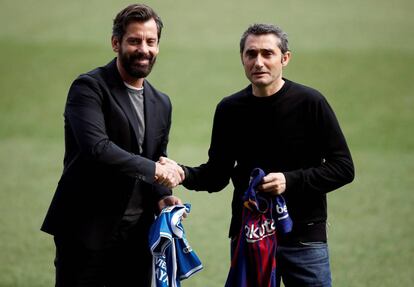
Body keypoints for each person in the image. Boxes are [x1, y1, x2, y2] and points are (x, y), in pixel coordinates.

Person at [161, 23, 354, 286]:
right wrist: (182, 172)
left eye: (267, 54)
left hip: (304, 238)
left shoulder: (310, 103)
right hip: (250, 235)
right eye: (251, 54)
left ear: (285, 58)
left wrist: (290, 181)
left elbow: (343, 167)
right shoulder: (230, 109)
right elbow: (217, 175)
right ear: (242, 58)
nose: (258, 62)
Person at [41, 4, 185, 286]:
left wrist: (161, 195)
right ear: (116, 43)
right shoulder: (89, 88)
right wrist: (155, 170)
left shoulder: (161, 102)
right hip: (86, 230)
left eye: (151, 41)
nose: (144, 49)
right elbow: (97, 148)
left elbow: (155, 155)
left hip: (137, 234)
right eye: (134, 41)